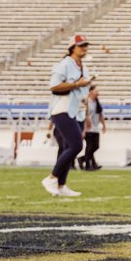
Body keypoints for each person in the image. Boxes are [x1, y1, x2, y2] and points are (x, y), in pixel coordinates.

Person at [42, 34, 92, 197]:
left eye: (85, 45)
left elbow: (83, 91)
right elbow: (55, 87)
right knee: (76, 146)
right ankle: (52, 178)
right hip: (62, 109)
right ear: (72, 48)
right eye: (80, 45)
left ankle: (61, 185)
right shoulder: (64, 64)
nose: (84, 48)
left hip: (77, 111)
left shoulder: (83, 66)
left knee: (66, 147)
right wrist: (78, 84)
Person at [78, 85, 106, 171]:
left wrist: (104, 125)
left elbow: (100, 115)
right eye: (96, 91)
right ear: (91, 92)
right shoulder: (86, 101)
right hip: (87, 128)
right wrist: (84, 126)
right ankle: (88, 165)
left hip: (95, 128)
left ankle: (82, 159)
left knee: (96, 146)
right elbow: (81, 113)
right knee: (89, 146)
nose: (98, 92)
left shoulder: (97, 103)